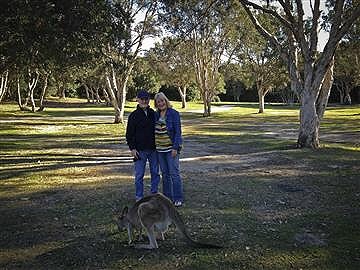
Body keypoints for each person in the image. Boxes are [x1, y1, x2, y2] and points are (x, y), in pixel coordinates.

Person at [126, 90, 160, 201]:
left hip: (153, 150)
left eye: (146, 99)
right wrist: (132, 149)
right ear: (138, 99)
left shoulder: (153, 114)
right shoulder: (133, 116)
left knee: (155, 173)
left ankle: (154, 194)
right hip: (139, 151)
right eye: (142, 99)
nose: (144, 101)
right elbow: (129, 134)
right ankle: (139, 197)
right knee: (139, 175)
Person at [154, 92, 184, 207]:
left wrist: (175, 148)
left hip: (171, 149)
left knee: (174, 173)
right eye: (158, 102)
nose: (161, 103)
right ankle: (167, 199)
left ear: (166, 101)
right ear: (156, 104)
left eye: (162, 101)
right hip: (160, 150)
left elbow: (178, 132)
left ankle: (178, 198)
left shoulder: (174, 114)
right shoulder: (156, 115)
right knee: (165, 174)